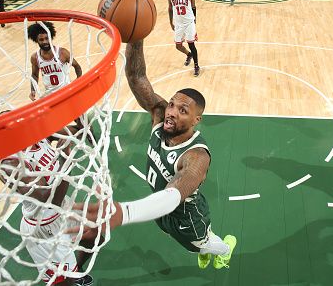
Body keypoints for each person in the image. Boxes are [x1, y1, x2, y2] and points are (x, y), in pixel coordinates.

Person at [72, 39, 237, 270]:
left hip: (186, 217)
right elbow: (137, 77)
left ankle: (226, 249)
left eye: (183, 111)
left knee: (200, 245)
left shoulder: (196, 156)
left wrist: (124, 213)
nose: (171, 113)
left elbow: (173, 196)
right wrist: (135, 38)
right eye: (171, 104)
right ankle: (205, 247)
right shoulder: (160, 116)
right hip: (160, 210)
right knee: (175, 236)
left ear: (196, 121)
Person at [0, 123, 94, 286]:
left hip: (63, 208)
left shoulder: (38, 135)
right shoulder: (10, 164)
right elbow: (48, 198)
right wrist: (65, 155)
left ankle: (75, 272)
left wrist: (70, 121)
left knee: (93, 235)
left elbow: (77, 132)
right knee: (61, 282)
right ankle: (70, 276)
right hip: (42, 226)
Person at [28, 22, 82, 100]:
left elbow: (77, 66)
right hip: (50, 95)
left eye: (47, 38)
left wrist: (78, 80)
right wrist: (33, 90)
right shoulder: (35, 57)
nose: (45, 42)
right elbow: (34, 75)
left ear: (51, 38)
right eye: (41, 39)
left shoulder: (62, 52)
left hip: (66, 91)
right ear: (37, 41)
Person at [167, 0, 199, 77]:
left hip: (189, 22)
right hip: (178, 23)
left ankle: (196, 66)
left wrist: (194, 21)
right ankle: (188, 55)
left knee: (191, 44)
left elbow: (194, 7)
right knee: (178, 46)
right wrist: (171, 22)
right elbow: (170, 8)